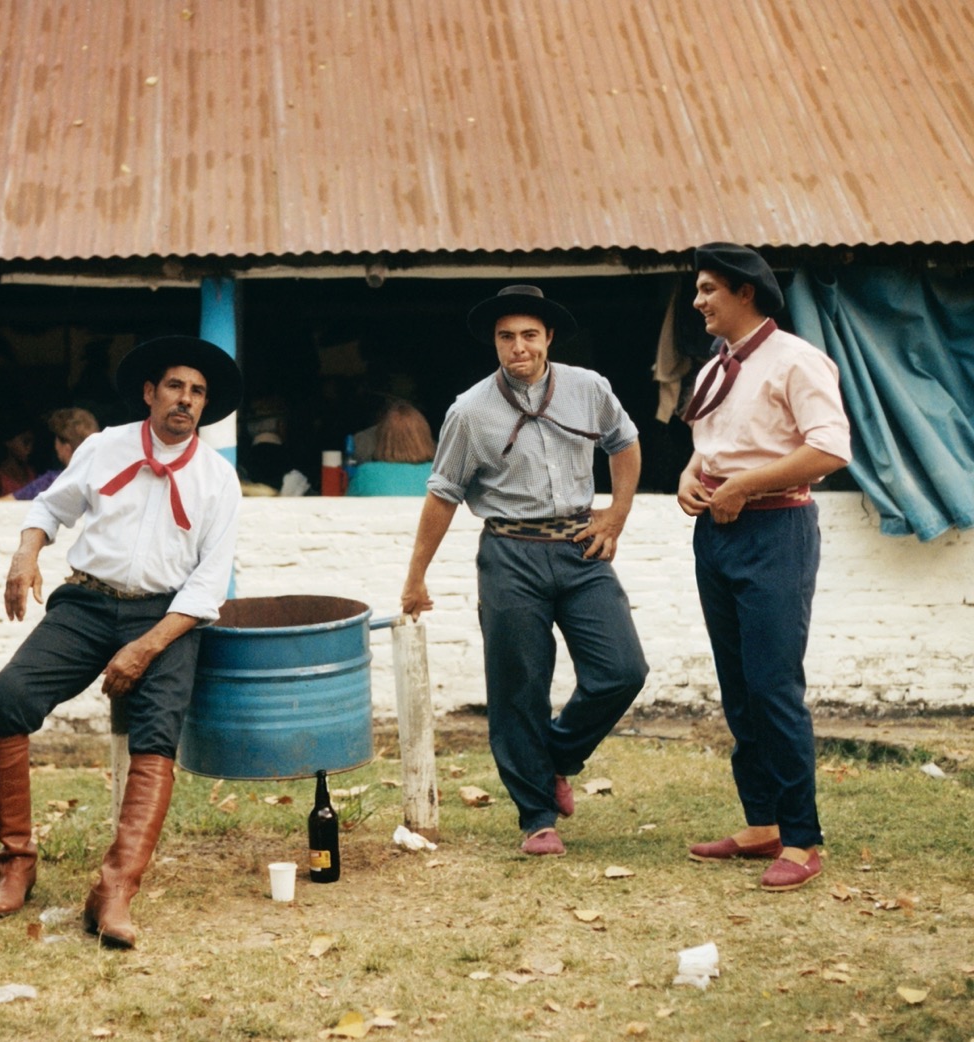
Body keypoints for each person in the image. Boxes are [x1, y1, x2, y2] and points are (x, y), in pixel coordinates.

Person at [0, 335, 242, 949]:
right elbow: (50, 506)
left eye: (197, 392)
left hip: (168, 617)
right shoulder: (103, 446)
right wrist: (25, 554)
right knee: (6, 700)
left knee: (157, 733)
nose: (186, 400)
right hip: (88, 602)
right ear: (150, 392)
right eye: (175, 386)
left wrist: (145, 647)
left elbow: (207, 586)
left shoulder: (218, 479)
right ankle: (17, 859)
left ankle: (115, 889)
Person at [400, 285, 648, 857]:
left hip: (581, 547)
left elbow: (626, 443)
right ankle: (537, 817)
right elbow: (443, 494)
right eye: (506, 337)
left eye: (529, 335)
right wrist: (416, 577)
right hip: (509, 553)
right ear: (495, 343)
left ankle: (558, 756)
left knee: (622, 669)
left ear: (549, 338)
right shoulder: (469, 410)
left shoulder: (589, 388)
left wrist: (618, 513)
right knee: (518, 689)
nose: (519, 348)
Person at [677, 243, 851, 892]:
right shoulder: (713, 369)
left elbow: (831, 449)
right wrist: (690, 480)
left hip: (776, 528)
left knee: (775, 685)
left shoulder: (797, 361)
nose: (697, 302)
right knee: (738, 686)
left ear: (745, 292)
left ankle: (802, 840)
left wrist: (746, 486)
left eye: (708, 290)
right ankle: (762, 823)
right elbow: (707, 450)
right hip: (716, 530)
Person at [5, 407, 99, 500]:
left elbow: (1, 505)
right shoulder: (104, 479)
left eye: (56, 440)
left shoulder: (52, 483)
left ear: (66, 449)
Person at [346, 399, 435, 496]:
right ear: (424, 439)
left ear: (382, 438)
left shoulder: (365, 474)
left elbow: (344, 509)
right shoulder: (441, 478)